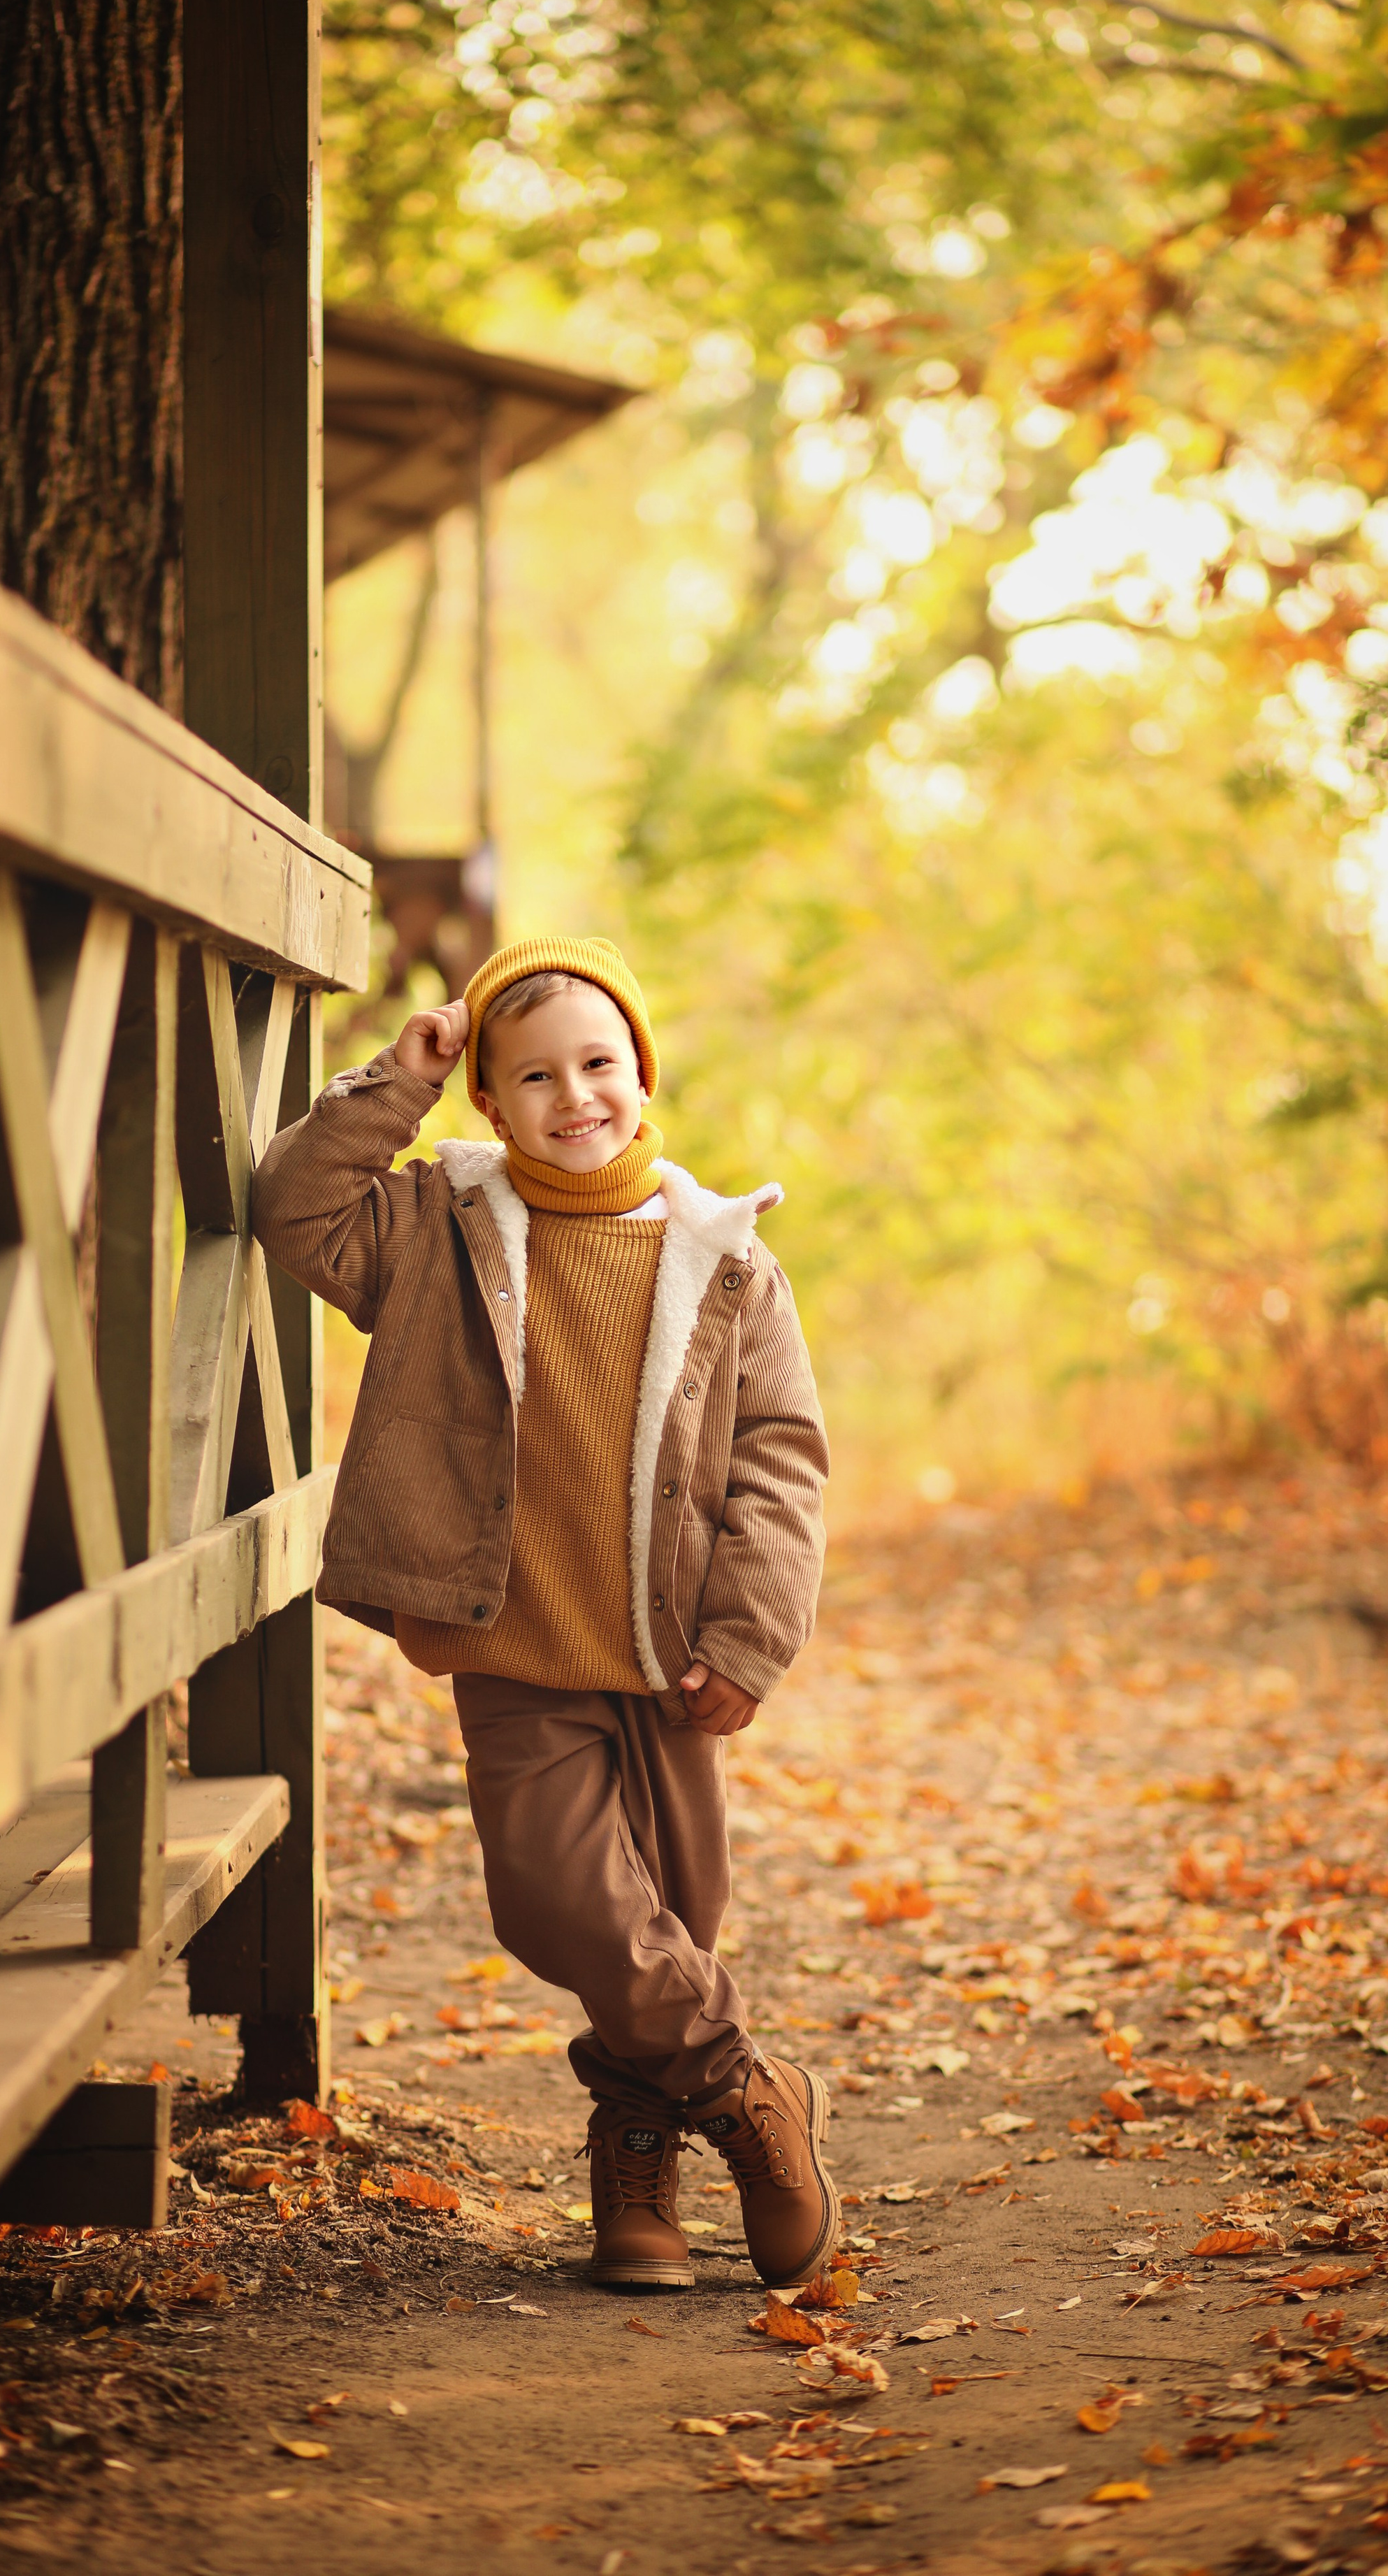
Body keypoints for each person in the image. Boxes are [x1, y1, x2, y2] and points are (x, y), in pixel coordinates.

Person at [251, 936, 834, 2291]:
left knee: (671, 1915)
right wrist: (393, 1084)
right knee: (555, 1899)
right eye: (533, 1077)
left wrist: (748, 1639)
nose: (573, 1096)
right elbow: (292, 1208)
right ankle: (749, 2092)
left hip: (665, 1651)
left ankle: (635, 2164)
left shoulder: (723, 1259)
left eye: (598, 1065)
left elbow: (779, 1457)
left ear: (643, 1076)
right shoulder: (429, 1230)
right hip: (513, 1645)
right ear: (489, 1103)